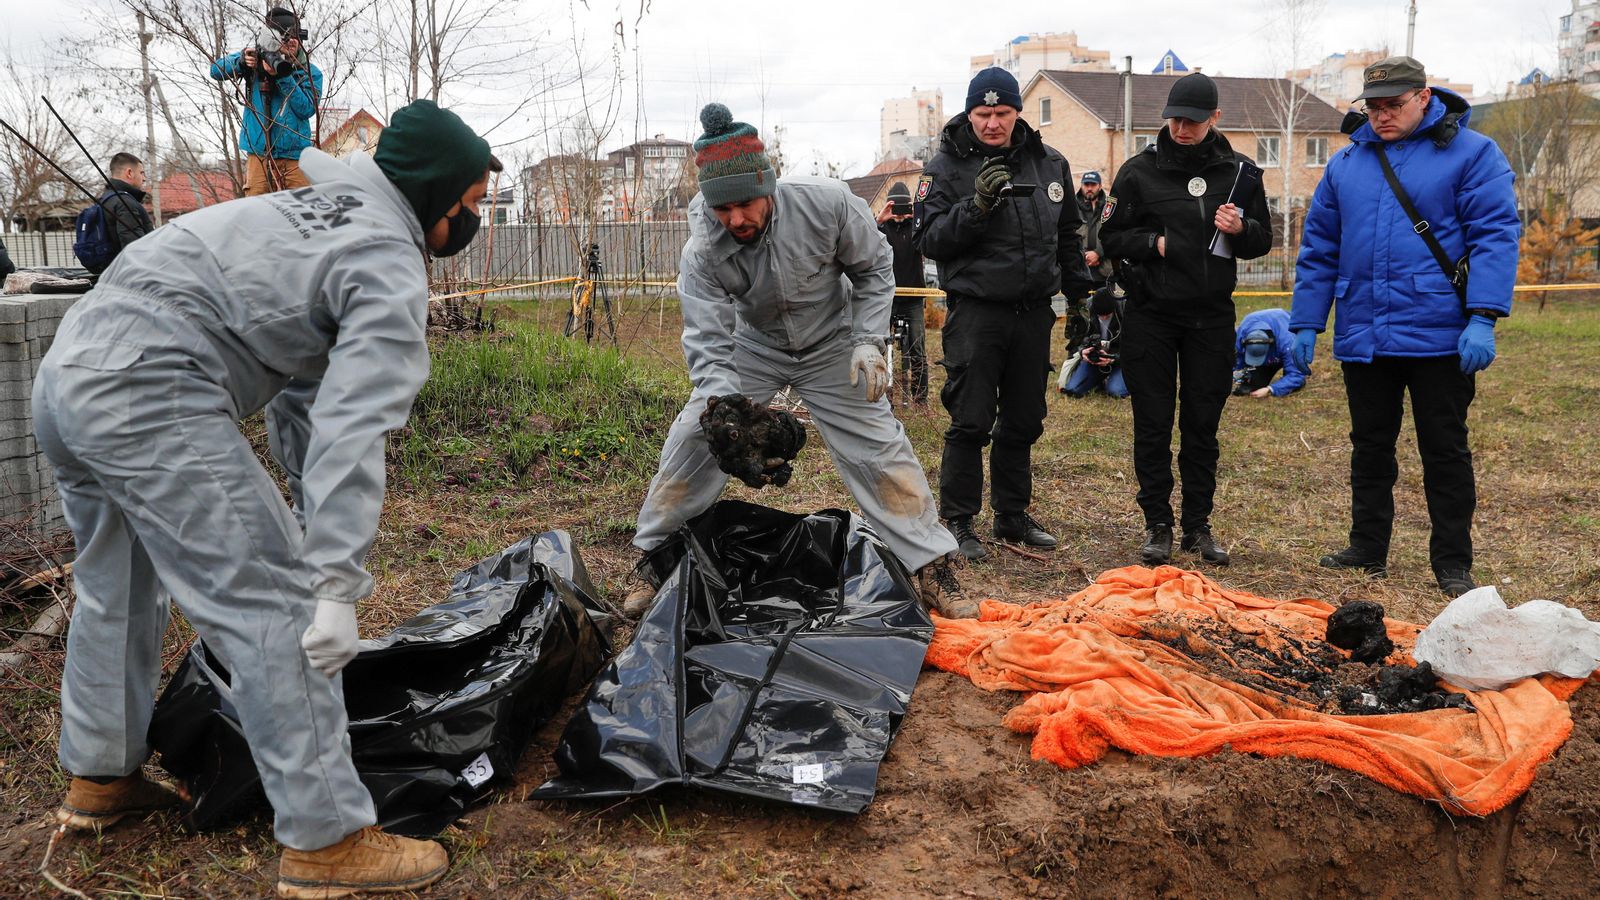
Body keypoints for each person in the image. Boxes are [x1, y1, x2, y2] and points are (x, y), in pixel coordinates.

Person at [34, 99, 496, 897]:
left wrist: (315, 521)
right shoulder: (385, 260)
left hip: (68, 375)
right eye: (473, 206)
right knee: (274, 607)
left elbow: (303, 396)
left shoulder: (306, 210)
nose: (474, 221)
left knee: (116, 586)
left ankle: (100, 782)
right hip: (150, 388)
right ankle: (327, 842)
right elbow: (355, 430)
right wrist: (332, 580)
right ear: (436, 197)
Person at [626, 103, 973, 619]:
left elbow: (876, 267)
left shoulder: (827, 204)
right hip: (754, 346)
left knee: (878, 443)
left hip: (833, 341)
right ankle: (653, 556)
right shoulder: (703, 248)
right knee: (695, 436)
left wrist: (867, 338)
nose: (736, 219)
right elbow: (707, 334)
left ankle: (932, 564)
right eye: (723, 209)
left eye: (746, 204)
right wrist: (724, 406)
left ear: (769, 185)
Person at [1289, 56, 1520, 597]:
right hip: (1364, 330)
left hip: (1441, 332)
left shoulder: (1473, 154)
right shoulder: (1346, 165)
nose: (1381, 115)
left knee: (1444, 448)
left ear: (1423, 96)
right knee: (1369, 445)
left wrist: (1483, 316)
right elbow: (1319, 249)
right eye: (1373, 106)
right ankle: (1367, 547)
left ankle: (1452, 562)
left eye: (1393, 104)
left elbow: (1495, 235)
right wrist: (1306, 323)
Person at [915, 66, 1096, 560]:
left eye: (1002, 113)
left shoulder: (1049, 162)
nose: (992, 123)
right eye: (982, 113)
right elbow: (929, 240)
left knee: (1023, 419)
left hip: (1034, 312)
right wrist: (976, 205)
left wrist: (1080, 291)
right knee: (971, 419)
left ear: (1017, 112)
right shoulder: (944, 169)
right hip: (977, 312)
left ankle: (1012, 516)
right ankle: (958, 520)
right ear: (969, 113)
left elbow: (1066, 235)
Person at [1099, 72, 1274, 568]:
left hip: (1211, 319)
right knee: (1152, 423)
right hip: (1152, 316)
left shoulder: (1241, 173)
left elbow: (1262, 241)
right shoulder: (1138, 172)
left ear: (1214, 119)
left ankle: (1198, 525)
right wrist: (1152, 243)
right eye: (1174, 119)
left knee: (1202, 424)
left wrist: (1241, 228)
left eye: (1192, 121)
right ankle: (1158, 524)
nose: (1181, 128)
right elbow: (1108, 236)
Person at [210, 7, 323, 196]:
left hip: (295, 156)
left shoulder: (310, 73)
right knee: (255, 211)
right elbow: (215, 71)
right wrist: (241, 62)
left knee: (303, 210)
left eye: (295, 36)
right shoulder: (253, 60)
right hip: (259, 153)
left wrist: (282, 76)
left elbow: (306, 109)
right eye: (285, 36)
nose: (291, 41)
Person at [877, 180, 930, 405]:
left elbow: (931, 240)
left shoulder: (917, 228)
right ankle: (881, 396)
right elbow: (863, 243)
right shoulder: (880, 229)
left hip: (914, 298)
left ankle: (920, 399)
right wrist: (879, 220)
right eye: (895, 206)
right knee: (880, 347)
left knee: (917, 349)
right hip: (886, 298)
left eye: (903, 206)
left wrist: (917, 217)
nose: (899, 212)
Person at [1065, 170, 1111, 353]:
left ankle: (1106, 353)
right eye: (1087, 185)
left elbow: (1114, 234)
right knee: (1078, 319)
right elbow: (1067, 234)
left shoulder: (1109, 207)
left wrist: (1098, 253)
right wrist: (1083, 255)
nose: (1089, 188)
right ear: (1082, 186)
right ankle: (1076, 357)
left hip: (1104, 272)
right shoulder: (1072, 207)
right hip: (1079, 273)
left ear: (1099, 186)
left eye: (1093, 185)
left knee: (1105, 316)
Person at [1062, 284, 1129, 399]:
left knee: (1116, 392)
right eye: (1100, 315)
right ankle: (1098, 381)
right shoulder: (1085, 310)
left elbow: (1133, 347)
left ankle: (1117, 379)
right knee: (1073, 390)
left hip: (1120, 361)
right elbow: (1075, 342)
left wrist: (1114, 358)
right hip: (1093, 361)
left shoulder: (1125, 309)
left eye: (1107, 315)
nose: (1103, 318)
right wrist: (1082, 351)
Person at [1232, 307, 1308, 398]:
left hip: (1283, 345)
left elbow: (1296, 374)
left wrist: (1270, 389)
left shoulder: (1289, 343)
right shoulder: (1242, 332)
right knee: (1253, 386)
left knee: (1296, 382)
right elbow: (1238, 359)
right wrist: (1234, 374)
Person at [101, 152, 156, 250]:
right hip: (129, 265)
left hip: (110, 264)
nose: (144, 179)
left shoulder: (105, 199)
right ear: (129, 173)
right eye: (141, 173)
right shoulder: (125, 203)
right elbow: (135, 250)